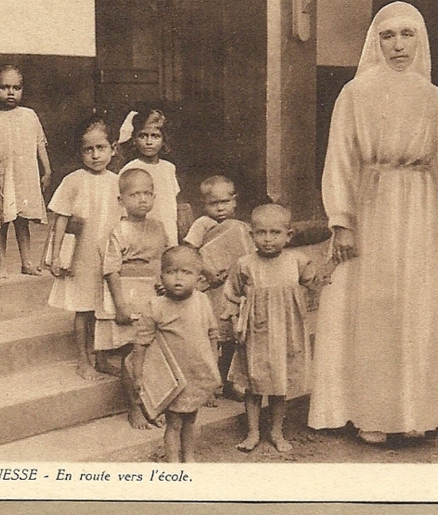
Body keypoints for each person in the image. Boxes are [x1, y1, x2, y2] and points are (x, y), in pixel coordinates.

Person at [307, 1, 438, 445]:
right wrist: (341, 219)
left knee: (418, 305)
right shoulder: (355, 93)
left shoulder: (434, 99)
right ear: (375, 42)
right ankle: (372, 412)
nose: (398, 45)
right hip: (373, 206)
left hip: (423, 212)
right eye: (388, 36)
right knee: (376, 307)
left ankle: (417, 409)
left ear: (420, 40)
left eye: (407, 34)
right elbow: (340, 158)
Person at [224, 204, 319, 453]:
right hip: (256, 332)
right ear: (251, 234)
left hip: (286, 333)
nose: (267, 239)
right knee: (254, 382)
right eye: (261, 233)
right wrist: (235, 322)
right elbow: (231, 295)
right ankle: (253, 431)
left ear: (288, 235)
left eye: (275, 233)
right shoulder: (245, 264)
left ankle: (277, 431)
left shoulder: (296, 261)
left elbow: (315, 284)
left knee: (279, 384)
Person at [46, 115, 124, 381]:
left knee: (104, 309)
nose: (94, 155)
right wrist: (55, 255)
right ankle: (83, 358)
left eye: (101, 148)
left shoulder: (117, 181)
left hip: (109, 256)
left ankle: (101, 357)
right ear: (80, 152)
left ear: (113, 148)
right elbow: (61, 220)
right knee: (84, 308)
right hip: (82, 255)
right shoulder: (73, 180)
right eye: (88, 149)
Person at [129, 246, 222, 463]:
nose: (178, 278)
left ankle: (188, 457)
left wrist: (212, 368)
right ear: (161, 276)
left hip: (196, 374)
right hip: (172, 379)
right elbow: (141, 344)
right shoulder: (157, 306)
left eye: (186, 272)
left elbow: (212, 335)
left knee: (190, 420)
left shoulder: (202, 301)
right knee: (174, 423)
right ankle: (173, 463)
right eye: (171, 272)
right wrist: (138, 375)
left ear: (199, 278)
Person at [95, 168, 169, 429]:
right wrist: (120, 305)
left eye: (147, 193)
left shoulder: (158, 228)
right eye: (135, 194)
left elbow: (165, 258)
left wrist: (164, 282)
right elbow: (111, 270)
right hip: (128, 296)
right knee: (132, 357)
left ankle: (153, 405)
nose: (142, 199)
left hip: (153, 298)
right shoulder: (120, 231)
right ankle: (134, 408)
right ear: (121, 200)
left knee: (152, 354)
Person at [183, 175, 255, 399]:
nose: (220, 208)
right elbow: (190, 252)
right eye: (214, 204)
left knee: (231, 339)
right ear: (204, 205)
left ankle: (226, 381)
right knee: (210, 339)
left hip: (231, 290)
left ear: (234, 201)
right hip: (211, 289)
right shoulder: (203, 224)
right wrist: (207, 271)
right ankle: (209, 386)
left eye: (225, 202)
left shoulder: (239, 228)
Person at [0, 65, 52, 278]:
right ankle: (1, 263)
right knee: (2, 222)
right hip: (2, 179)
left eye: (16, 87)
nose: (11, 92)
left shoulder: (29, 115)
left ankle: (27, 261)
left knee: (22, 222)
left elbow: (39, 144)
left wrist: (47, 170)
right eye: (4, 87)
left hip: (24, 178)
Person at [119, 109, 180, 246]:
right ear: (134, 139)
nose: (149, 141)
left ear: (164, 140)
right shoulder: (131, 169)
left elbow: (173, 200)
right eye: (143, 136)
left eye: (155, 136)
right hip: (142, 229)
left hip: (167, 225)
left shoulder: (168, 168)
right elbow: (123, 206)